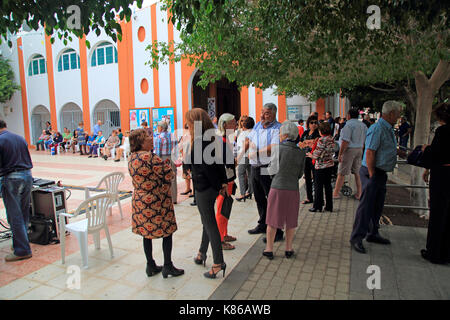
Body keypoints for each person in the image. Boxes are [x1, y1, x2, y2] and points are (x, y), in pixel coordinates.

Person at [128, 128, 184, 278]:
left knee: (146, 234)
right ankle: (167, 266)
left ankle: (150, 264)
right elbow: (169, 174)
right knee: (167, 231)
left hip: (140, 201)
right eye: (148, 137)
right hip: (157, 201)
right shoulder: (150, 157)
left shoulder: (131, 157)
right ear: (140, 142)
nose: (152, 139)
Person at [350, 101, 403, 254]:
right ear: (391, 113)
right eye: (398, 113)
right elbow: (370, 152)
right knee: (366, 207)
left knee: (377, 206)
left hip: (380, 173)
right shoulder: (377, 128)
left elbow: (386, 148)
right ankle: (357, 238)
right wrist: (372, 175)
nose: (399, 117)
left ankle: (373, 233)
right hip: (371, 172)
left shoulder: (388, 129)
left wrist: (401, 153)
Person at [186, 108, 228, 279]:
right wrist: (222, 184)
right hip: (211, 188)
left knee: (210, 225)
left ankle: (218, 262)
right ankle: (202, 253)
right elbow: (219, 164)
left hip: (204, 188)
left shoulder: (199, 142)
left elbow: (208, 169)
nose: (187, 125)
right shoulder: (211, 139)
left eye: (189, 122)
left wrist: (217, 184)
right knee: (207, 221)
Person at [263, 121, 305, 260]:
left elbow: (271, 170)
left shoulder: (278, 149)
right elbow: (300, 174)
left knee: (272, 220)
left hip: (277, 187)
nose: (279, 135)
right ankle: (288, 249)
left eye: (280, 133)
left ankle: (269, 249)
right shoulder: (300, 152)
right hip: (293, 189)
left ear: (285, 134)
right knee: (290, 220)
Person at [245, 103, 284, 243]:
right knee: (259, 197)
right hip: (255, 166)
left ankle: (277, 230)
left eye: (266, 113)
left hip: (268, 167)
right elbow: (249, 140)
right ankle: (263, 223)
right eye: (262, 112)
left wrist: (256, 152)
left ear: (274, 114)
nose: (262, 115)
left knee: (272, 199)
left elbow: (273, 148)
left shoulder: (278, 128)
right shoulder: (258, 125)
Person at [420, 102, 450, 264]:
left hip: (442, 174)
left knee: (438, 212)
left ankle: (434, 252)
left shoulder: (442, 131)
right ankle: (446, 252)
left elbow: (436, 153)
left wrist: (426, 149)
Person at [0, 119, 34, 261]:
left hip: (12, 178)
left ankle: (22, 250)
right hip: (27, 176)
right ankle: (21, 242)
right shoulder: (19, 138)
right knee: (23, 212)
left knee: (14, 215)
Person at [333, 109, 368, 200]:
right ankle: (359, 193)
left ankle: (336, 193)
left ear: (348, 115)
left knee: (342, 172)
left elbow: (345, 141)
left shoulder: (348, 125)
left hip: (349, 150)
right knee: (357, 172)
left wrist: (340, 154)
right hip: (360, 148)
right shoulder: (363, 125)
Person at [215, 113, 238, 250]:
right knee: (221, 210)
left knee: (225, 208)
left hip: (228, 180)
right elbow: (224, 163)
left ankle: (224, 233)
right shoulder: (221, 141)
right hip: (224, 181)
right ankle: (220, 239)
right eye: (233, 122)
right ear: (225, 125)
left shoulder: (225, 139)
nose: (235, 125)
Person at [307, 122, 335, 212]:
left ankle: (317, 206)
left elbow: (317, 154)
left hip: (321, 166)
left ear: (321, 131)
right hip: (329, 164)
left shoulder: (322, 140)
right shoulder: (331, 138)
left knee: (318, 186)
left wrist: (310, 155)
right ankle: (329, 206)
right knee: (328, 186)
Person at [154, 121, 177, 204]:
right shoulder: (172, 135)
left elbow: (158, 153)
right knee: (173, 178)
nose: (157, 128)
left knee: (164, 179)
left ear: (161, 128)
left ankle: (166, 199)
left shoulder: (159, 137)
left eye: (158, 127)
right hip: (172, 158)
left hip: (163, 158)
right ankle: (174, 199)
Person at [299, 116, 320, 205]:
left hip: (313, 158)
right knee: (307, 178)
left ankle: (317, 199)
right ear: (308, 124)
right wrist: (308, 142)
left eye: (315, 122)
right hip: (305, 157)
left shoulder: (318, 133)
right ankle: (309, 197)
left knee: (315, 178)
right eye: (312, 123)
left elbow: (315, 143)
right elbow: (300, 143)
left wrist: (306, 143)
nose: (314, 124)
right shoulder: (306, 132)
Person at [236, 117, 255, 202]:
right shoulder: (254, 132)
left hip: (243, 156)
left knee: (240, 174)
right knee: (250, 174)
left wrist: (238, 157)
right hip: (252, 155)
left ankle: (242, 193)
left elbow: (241, 146)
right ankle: (250, 192)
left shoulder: (243, 134)